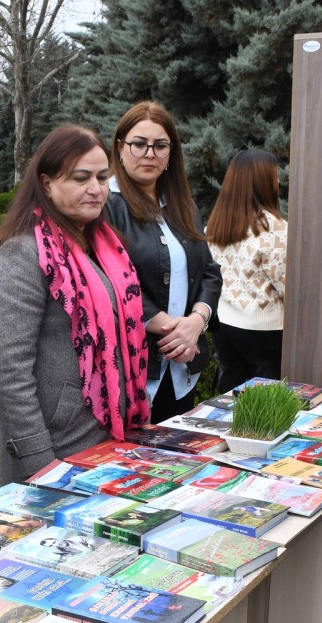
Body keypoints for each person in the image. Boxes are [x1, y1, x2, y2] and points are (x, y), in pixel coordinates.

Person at [0, 125, 149, 484]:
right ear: (47, 184)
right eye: (80, 178)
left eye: (102, 177)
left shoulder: (105, 248)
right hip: (56, 455)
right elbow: (9, 371)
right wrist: (41, 464)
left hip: (110, 441)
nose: (96, 188)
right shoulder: (22, 254)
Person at [104, 102, 221, 422]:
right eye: (139, 144)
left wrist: (196, 322)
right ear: (120, 148)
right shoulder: (107, 206)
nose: (149, 154)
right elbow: (112, 281)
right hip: (135, 368)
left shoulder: (183, 205)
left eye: (160, 145)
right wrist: (175, 331)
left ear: (171, 153)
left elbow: (210, 271)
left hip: (181, 369)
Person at [205, 149, 288, 388]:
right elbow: (286, 285)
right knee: (265, 398)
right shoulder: (274, 229)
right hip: (263, 328)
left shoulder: (217, 224)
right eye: (274, 175)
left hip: (224, 324)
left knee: (229, 392)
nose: (278, 181)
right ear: (262, 181)